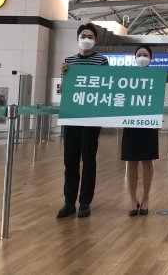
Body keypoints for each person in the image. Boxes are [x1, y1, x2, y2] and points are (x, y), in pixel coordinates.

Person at [57, 23, 108, 218]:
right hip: (71, 116)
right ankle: (69, 202)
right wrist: (64, 75)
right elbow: (63, 90)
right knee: (70, 160)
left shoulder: (101, 61)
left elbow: (106, 85)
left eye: (90, 36)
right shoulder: (68, 61)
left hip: (91, 119)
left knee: (88, 159)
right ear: (77, 38)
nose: (86, 39)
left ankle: (85, 202)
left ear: (95, 40)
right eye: (83, 36)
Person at [121, 45, 159, 216]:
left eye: (145, 54)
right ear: (134, 57)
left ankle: (145, 198)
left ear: (151, 58)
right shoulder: (128, 75)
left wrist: (156, 118)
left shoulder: (156, 76)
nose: (142, 57)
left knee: (147, 161)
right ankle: (132, 199)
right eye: (139, 54)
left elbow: (157, 99)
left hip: (149, 123)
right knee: (131, 161)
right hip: (131, 123)